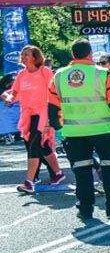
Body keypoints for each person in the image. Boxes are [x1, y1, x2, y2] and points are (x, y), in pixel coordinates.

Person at [47, 39, 110, 220]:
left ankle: (85, 209)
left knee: (81, 172)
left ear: (73, 55)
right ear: (90, 54)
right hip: (103, 130)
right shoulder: (103, 74)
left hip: (74, 133)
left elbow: (52, 107)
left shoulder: (58, 76)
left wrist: (58, 128)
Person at [2, 45, 64, 193]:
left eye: (27, 54)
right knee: (42, 146)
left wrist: (52, 116)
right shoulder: (21, 74)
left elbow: (54, 92)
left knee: (34, 145)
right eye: (22, 54)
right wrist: (9, 98)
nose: (23, 57)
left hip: (44, 113)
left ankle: (29, 182)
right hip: (28, 115)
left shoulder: (45, 71)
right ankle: (58, 173)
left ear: (35, 57)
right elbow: (14, 92)